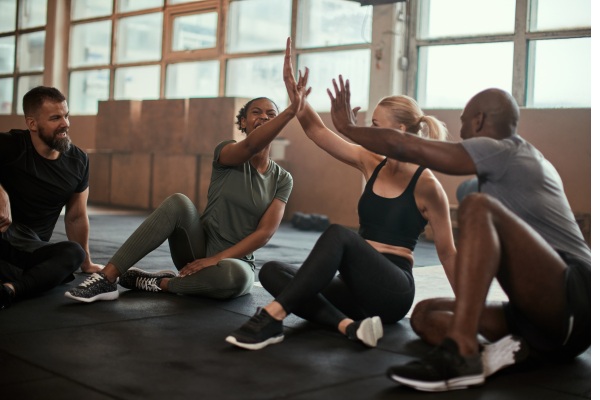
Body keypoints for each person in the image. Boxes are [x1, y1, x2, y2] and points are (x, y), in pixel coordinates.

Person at [327, 79, 591, 391]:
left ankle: (462, 353)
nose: (461, 124)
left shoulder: (505, 149)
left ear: (479, 120)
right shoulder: (511, 164)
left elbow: (406, 145)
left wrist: (349, 128)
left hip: (576, 296)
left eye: (464, 117)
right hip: (537, 323)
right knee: (425, 316)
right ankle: (496, 355)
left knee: (477, 205)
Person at [225, 40, 457, 350]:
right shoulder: (370, 160)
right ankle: (348, 326)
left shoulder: (427, 184)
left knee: (340, 235)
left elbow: (449, 253)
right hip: (353, 289)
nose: (366, 131)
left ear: (399, 131)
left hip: (392, 291)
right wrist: (294, 94)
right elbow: (317, 131)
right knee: (273, 272)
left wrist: (470, 315)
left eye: (375, 125)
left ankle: (271, 317)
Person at [65, 42, 309, 303]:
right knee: (179, 202)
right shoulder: (227, 152)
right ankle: (107, 278)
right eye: (256, 112)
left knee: (235, 280)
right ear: (243, 122)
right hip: (196, 246)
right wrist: (290, 111)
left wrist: (216, 259)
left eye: (272, 114)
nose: (265, 117)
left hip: (233, 262)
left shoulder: (282, 179)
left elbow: (265, 233)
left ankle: (160, 283)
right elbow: (251, 145)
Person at [0, 86, 103, 310]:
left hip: (29, 251)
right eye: (55, 118)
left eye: (66, 115)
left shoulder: (78, 161)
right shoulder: (12, 145)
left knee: (72, 253)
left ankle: (10, 290)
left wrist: (86, 263)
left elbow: (76, 216)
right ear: (32, 124)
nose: (65, 123)